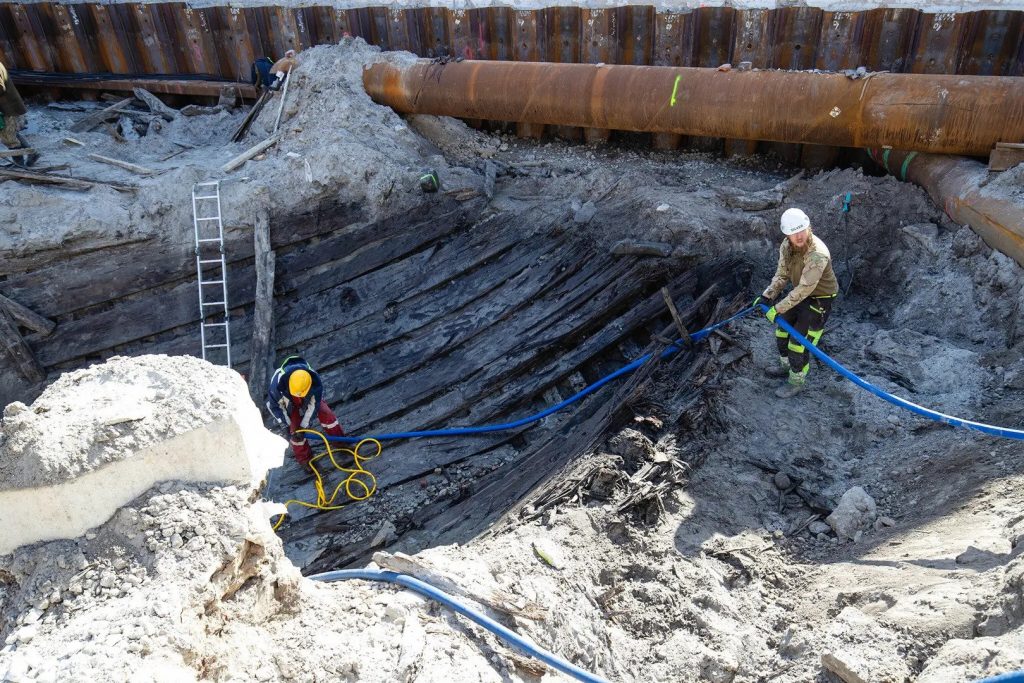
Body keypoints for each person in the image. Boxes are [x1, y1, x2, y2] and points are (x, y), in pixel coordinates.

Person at [756, 207, 839, 398]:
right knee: (782, 329)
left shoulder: (818, 254)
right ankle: (786, 367)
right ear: (787, 234)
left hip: (820, 299)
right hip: (800, 294)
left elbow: (805, 288)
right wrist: (768, 295)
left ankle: (796, 381)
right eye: (793, 233)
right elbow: (782, 274)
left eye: (802, 230)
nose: (798, 236)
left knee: (798, 343)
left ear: (809, 227)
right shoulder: (787, 246)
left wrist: (777, 308)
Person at [265, 356, 345, 466]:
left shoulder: (314, 382)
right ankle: (305, 460)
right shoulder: (277, 386)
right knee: (294, 430)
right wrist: (286, 426)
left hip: (307, 394)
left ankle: (341, 442)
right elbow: (273, 407)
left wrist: (304, 426)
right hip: (289, 401)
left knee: (326, 413)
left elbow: (313, 405)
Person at [0, 61, 37, 166]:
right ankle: (33, 153)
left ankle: (19, 164)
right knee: (11, 133)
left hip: (7, 107)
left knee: (8, 137)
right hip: (9, 106)